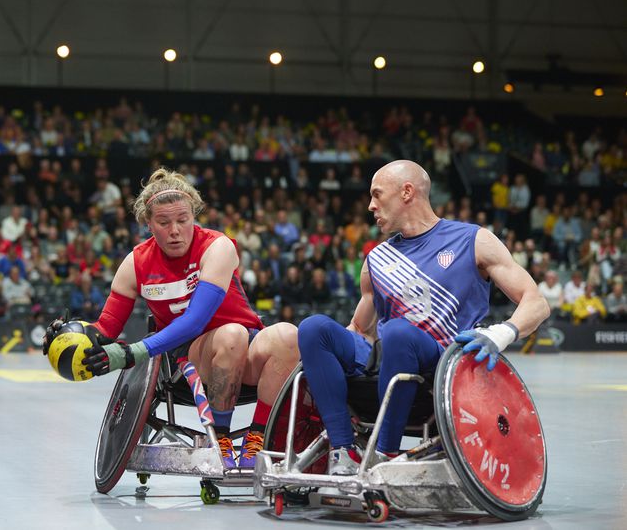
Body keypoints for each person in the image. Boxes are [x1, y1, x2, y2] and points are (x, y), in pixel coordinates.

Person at [297, 160, 549, 476]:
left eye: (377, 194)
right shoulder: (377, 257)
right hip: (387, 354)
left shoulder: (472, 240)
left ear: (406, 192)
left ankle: (385, 454)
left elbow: (536, 303)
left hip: (443, 364)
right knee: (313, 328)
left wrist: (502, 333)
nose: (371, 205)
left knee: (400, 333)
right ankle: (343, 450)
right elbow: (359, 328)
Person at [43, 168, 299, 469]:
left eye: (183, 220)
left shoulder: (218, 246)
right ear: (148, 223)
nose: (175, 230)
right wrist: (68, 339)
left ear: (194, 215)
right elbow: (105, 330)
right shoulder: (135, 264)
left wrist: (132, 352)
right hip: (188, 360)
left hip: (242, 347)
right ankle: (222, 439)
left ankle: (257, 439)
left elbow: (196, 318)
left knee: (287, 334)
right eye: (164, 223)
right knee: (232, 336)